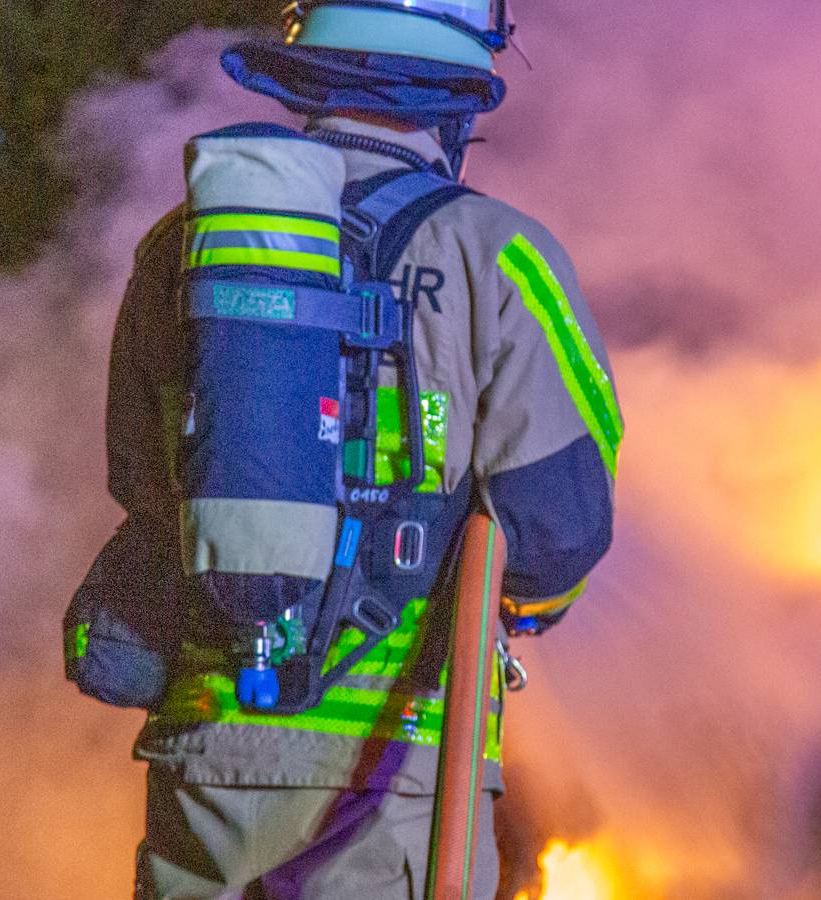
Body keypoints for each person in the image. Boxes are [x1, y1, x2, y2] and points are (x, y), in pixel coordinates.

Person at [102, 3, 620, 897]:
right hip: (396, 771)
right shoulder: (501, 255)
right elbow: (556, 532)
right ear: (453, 105)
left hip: (205, 745)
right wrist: (523, 608)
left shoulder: (180, 248)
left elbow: (141, 481)